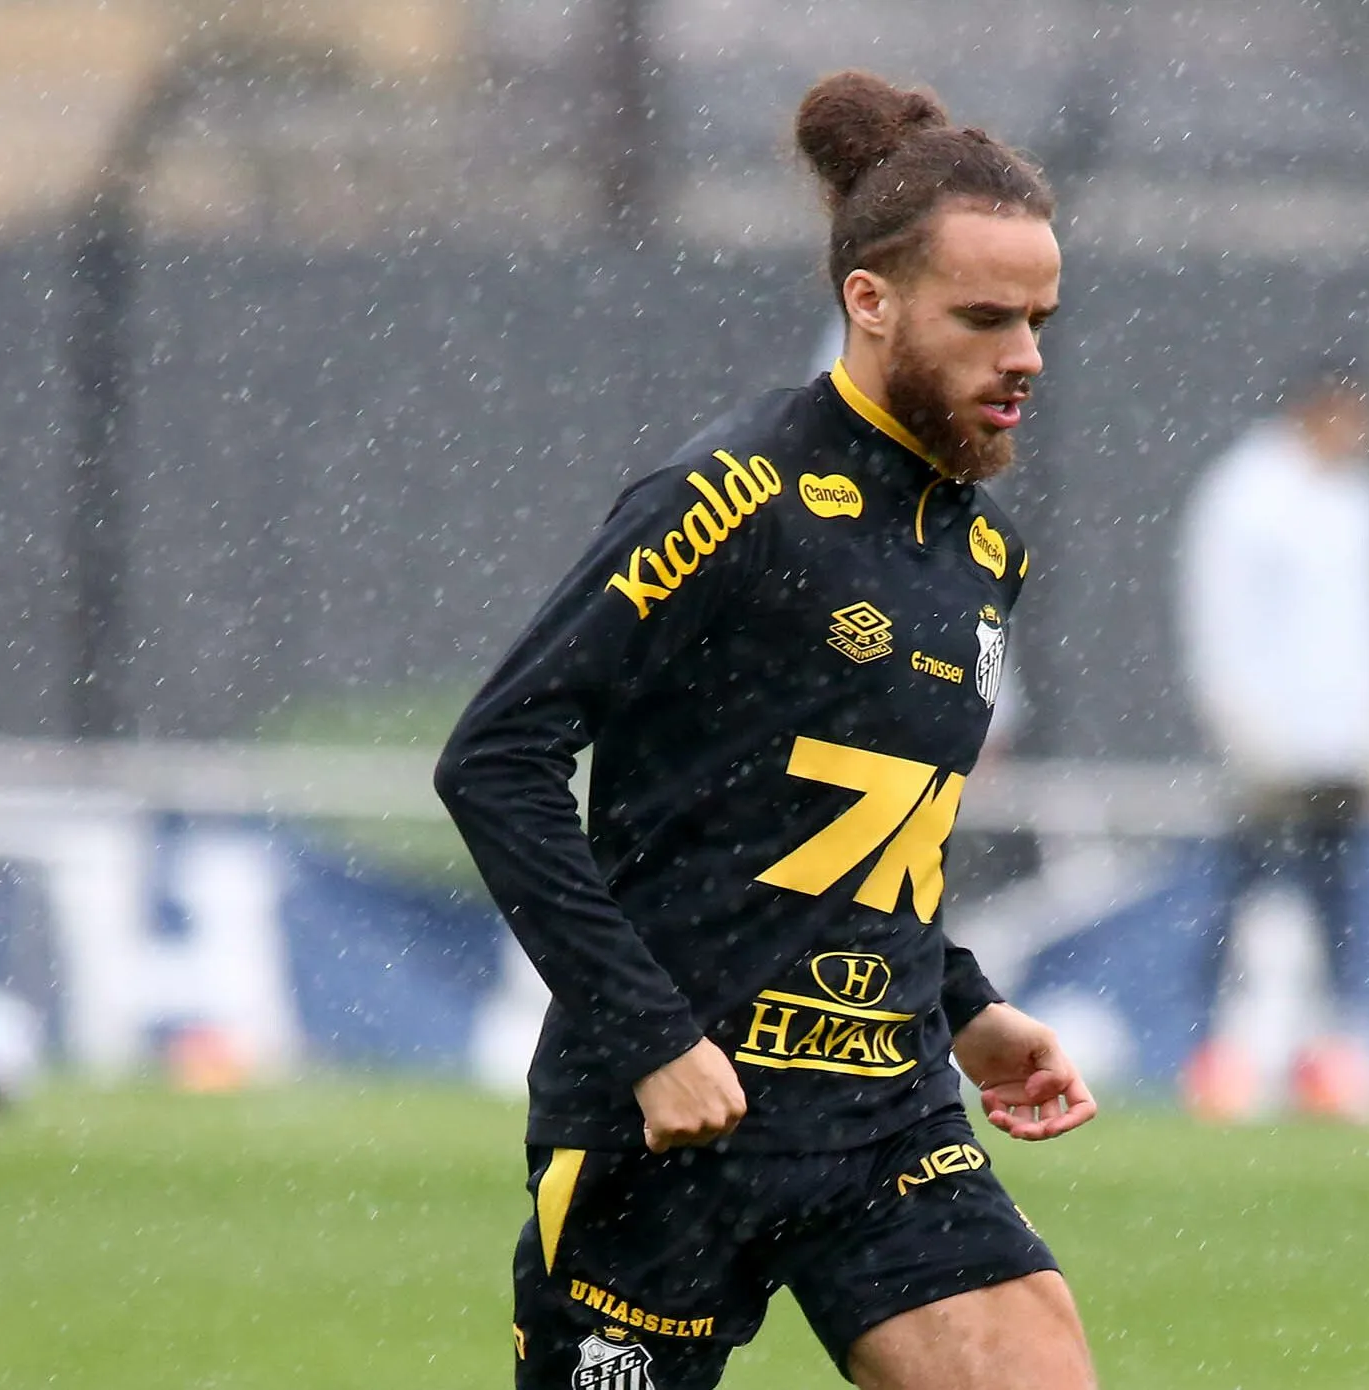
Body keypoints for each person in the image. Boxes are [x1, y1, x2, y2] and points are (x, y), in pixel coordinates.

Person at [433, 71, 1097, 1390]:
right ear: (870, 303)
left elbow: (845, 834)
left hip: (883, 1115)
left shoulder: (979, 549)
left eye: (1036, 318)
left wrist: (962, 1005)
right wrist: (651, 1040)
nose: (1021, 353)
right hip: (671, 1127)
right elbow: (493, 760)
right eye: (981, 317)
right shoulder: (733, 497)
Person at [1175, 352, 1369, 1123]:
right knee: (1245, 896)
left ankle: (1328, 1053)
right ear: (1321, 409)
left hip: (1343, 746)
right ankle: (1221, 1056)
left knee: (1336, 901)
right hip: (1271, 747)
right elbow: (1216, 616)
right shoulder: (1245, 492)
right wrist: (1241, 725)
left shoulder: (1359, 502)